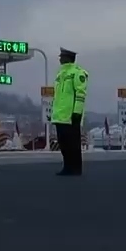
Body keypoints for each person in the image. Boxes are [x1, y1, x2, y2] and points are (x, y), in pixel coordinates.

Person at [51, 48, 89, 176]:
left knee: (73, 144)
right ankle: (67, 166)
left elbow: (80, 94)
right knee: (63, 144)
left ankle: (76, 168)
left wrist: (77, 112)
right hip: (60, 115)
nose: (60, 58)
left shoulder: (77, 73)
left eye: (62, 56)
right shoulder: (60, 74)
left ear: (68, 58)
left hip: (71, 115)